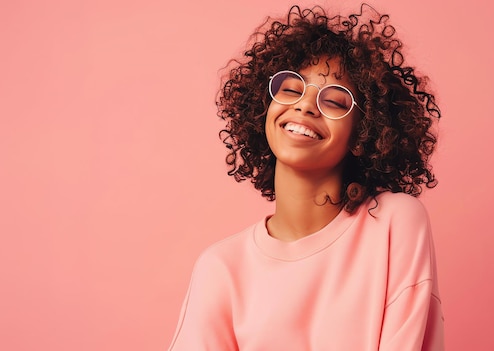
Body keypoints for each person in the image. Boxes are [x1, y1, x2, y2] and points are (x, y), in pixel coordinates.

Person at [168, 3, 444, 350]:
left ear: (364, 132)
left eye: (335, 101)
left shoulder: (393, 223)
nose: (305, 105)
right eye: (290, 88)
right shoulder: (220, 268)